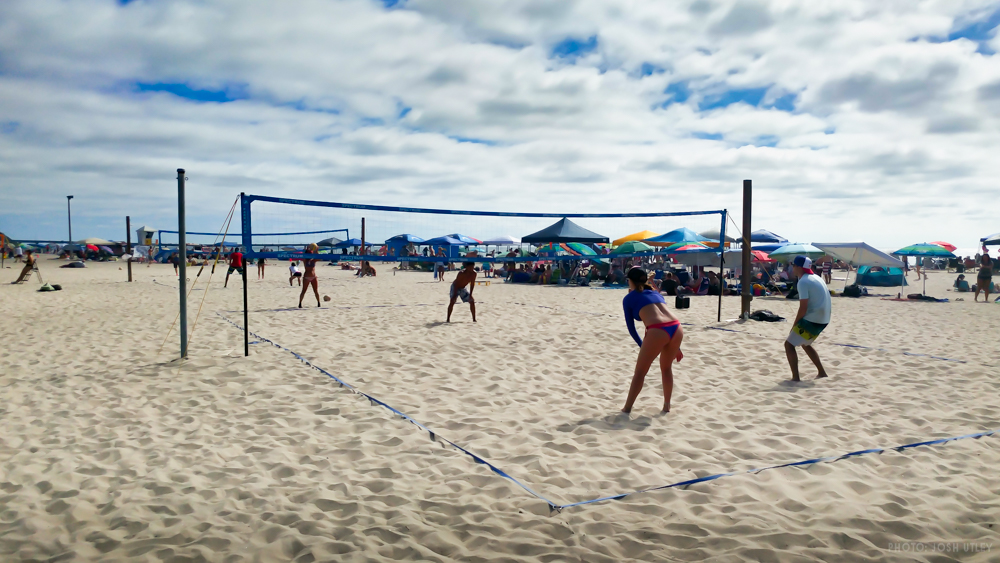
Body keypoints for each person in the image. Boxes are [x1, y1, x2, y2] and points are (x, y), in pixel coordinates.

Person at [621, 267, 683, 414]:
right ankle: (667, 405)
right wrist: (677, 347)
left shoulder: (628, 298)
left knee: (640, 372)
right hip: (677, 328)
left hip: (658, 330)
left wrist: (642, 345)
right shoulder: (656, 293)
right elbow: (666, 319)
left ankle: (627, 408)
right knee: (666, 368)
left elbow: (632, 329)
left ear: (630, 281)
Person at [784, 256, 831, 382]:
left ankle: (795, 378)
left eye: (793, 265)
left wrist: (794, 325)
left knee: (789, 344)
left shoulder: (803, 282)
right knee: (805, 343)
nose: (792, 267)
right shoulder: (816, 277)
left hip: (813, 319)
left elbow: (803, 308)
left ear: (799, 267)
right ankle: (822, 372)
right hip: (824, 318)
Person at [299, 243, 321, 308]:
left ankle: (319, 303)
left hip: (314, 277)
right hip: (306, 277)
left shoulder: (313, 260)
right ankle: (300, 304)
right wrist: (308, 249)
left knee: (316, 291)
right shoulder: (305, 260)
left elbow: (319, 257)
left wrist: (316, 250)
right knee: (304, 290)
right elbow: (302, 256)